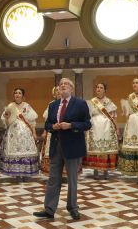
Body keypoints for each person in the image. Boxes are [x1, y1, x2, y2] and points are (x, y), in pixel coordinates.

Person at [34, 78, 91, 220]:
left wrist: (71, 125)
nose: (63, 86)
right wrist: (52, 127)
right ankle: (49, 209)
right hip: (56, 145)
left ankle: (73, 208)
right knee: (53, 179)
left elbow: (87, 124)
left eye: (66, 84)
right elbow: (47, 124)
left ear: (71, 89)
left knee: (72, 179)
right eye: (61, 85)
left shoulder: (80, 103)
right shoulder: (53, 105)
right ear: (58, 90)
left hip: (73, 146)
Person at [0, 88, 40, 180]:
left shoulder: (27, 106)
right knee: (14, 152)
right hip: (13, 134)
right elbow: (7, 123)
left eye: (19, 93)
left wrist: (34, 133)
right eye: (15, 93)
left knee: (26, 152)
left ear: (23, 96)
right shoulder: (10, 106)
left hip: (26, 135)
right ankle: (16, 173)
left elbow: (32, 122)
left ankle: (26, 173)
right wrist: (6, 118)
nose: (17, 94)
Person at [84, 83, 119, 179]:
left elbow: (114, 117)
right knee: (95, 148)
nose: (99, 89)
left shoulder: (109, 102)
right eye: (97, 87)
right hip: (94, 127)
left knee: (106, 148)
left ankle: (105, 170)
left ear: (105, 90)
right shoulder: (91, 102)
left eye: (101, 87)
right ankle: (95, 169)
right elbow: (87, 116)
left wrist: (117, 128)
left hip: (107, 128)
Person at [40, 87, 60, 175]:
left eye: (60, 90)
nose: (58, 92)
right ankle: (53, 172)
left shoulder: (69, 103)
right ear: (54, 94)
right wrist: (45, 131)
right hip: (53, 131)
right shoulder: (51, 104)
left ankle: (65, 173)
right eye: (56, 91)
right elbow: (47, 120)